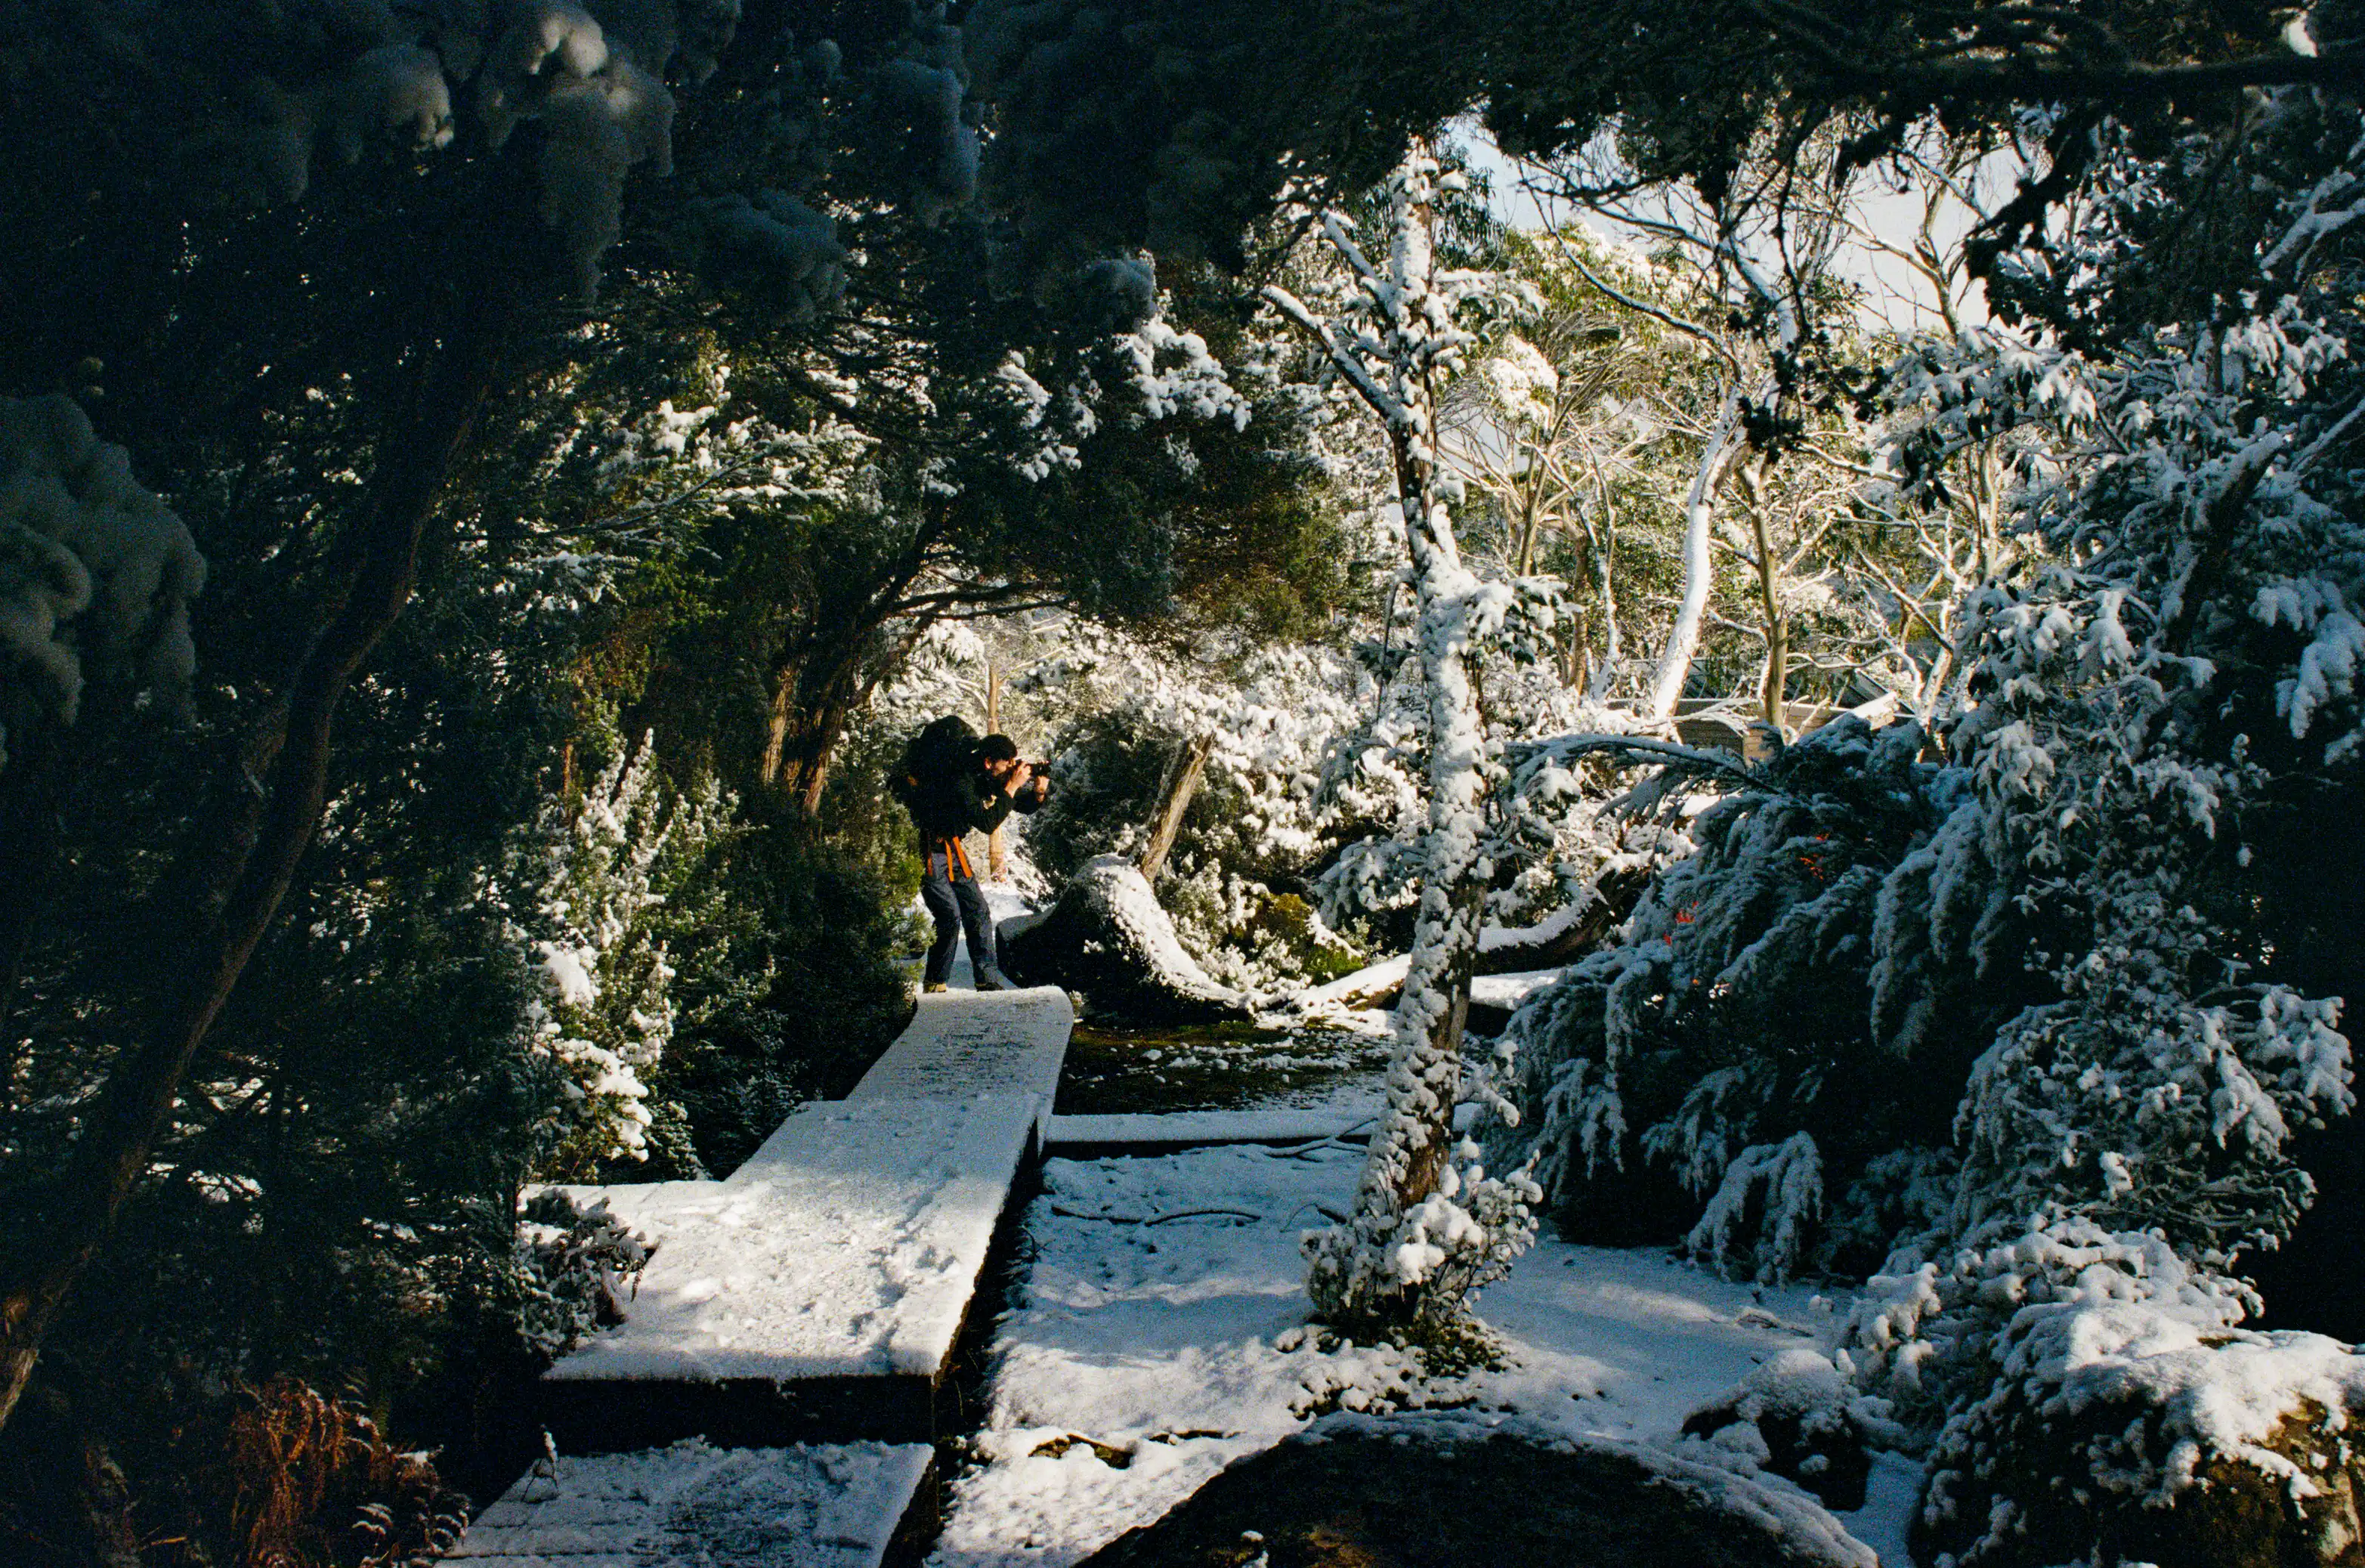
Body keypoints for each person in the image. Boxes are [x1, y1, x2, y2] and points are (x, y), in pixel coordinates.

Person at [898, 723, 1048, 992]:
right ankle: (935, 981)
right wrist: (1012, 786)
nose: (1010, 768)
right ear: (990, 761)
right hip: (927, 851)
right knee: (949, 915)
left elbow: (1014, 804)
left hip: (953, 851)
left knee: (978, 911)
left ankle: (987, 980)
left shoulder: (980, 773)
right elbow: (988, 823)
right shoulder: (960, 779)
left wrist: (1037, 793)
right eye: (1007, 763)